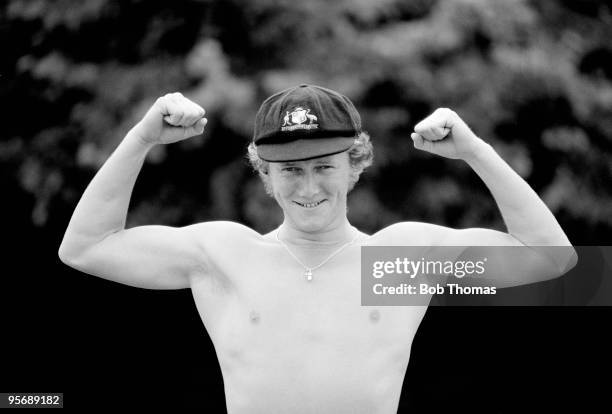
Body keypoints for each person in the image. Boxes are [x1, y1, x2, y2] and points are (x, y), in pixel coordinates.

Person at [58, 84, 577, 413]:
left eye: (324, 166)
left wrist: (476, 152)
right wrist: (143, 137)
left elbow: (552, 258)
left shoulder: (393, 264)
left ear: (356, 164)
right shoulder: (228, 256)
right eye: (290, 170)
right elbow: (86, 247)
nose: (308, 188)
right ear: (265, 173)